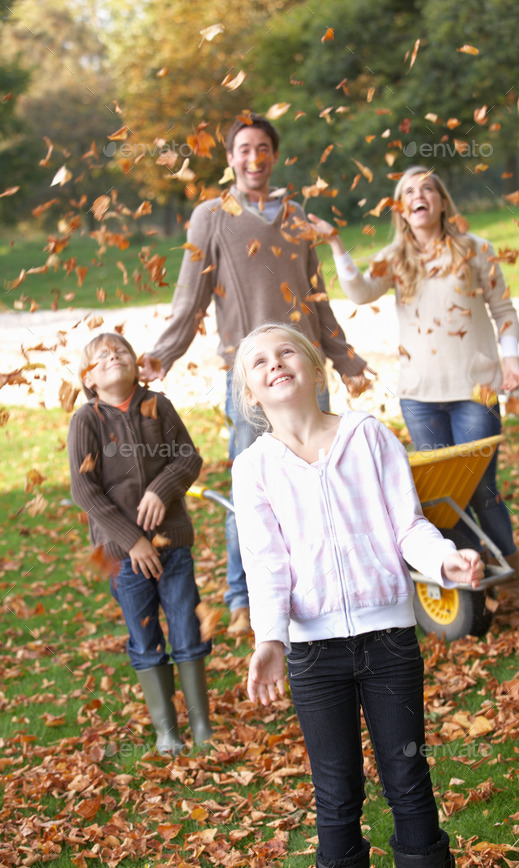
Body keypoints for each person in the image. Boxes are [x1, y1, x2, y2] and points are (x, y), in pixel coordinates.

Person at [230, 322, 484, 868]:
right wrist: (270, 639)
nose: (275, 363)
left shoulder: (368, 436)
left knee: (408, 774)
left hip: (389, 642)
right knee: (337, 790)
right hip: (314, 655)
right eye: (259, 362)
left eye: (287, 351)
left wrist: (444, 562)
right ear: (250, 391)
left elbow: (408, 526)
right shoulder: (254, 468)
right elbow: (267, 564)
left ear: (315, 366)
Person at [140, 112, 371, 637]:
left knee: (320, 479)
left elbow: (317, 297)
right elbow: (189, 297)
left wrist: (346, 358)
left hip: (305, 368)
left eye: (263, 147)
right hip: (250, 374)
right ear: (230, 159)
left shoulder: (297, 217)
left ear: (273, 155)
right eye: (243, 148)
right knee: (252, 481)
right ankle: (241, 594)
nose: (254, 157)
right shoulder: (211, 217)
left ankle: (318, 583)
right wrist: (163, 354)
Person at [308, 164, 519, 613]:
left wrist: (510, 359)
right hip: (419, 399)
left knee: (480, 490)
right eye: (408, 191)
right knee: (443, 499)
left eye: (427, 187)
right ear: (401, 210)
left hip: (476, 392)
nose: (419, 194)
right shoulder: (395, 257)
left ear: (442, 201)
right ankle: (473, 579)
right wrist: (335, 243)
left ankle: (513, 582)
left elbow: (503, 310)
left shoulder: (476, 249)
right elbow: (358, 292)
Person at [68, 332, 212, 755]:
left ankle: (201, 724)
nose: (114, 355)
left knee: (186, 628)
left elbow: (188, 458)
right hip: (125, 557)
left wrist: (161, 490)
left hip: (173, 545)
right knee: (145, 638)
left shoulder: (158, 405)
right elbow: (85, 491)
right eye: (101, 356)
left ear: (136, 364)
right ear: (89, 379)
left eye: (122, 351)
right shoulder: (86, 420)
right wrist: (132, 541)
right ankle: (167, 730)